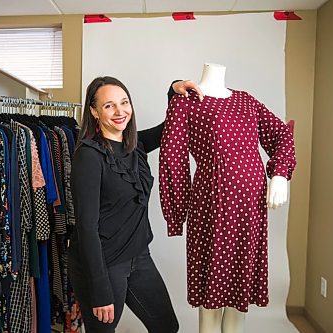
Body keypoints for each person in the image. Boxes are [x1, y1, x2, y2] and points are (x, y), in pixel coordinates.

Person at [159, 63, 296, 333]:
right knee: (211, 301)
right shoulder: (185, 102)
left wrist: (280, 174)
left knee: (238, 299)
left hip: (251, 210)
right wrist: (177, 214)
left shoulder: (247, 101)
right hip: (213, 207)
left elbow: (282, 135)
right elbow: (172, 159)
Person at [68, 76, 202, 333]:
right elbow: (86, 229)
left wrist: (172, 89)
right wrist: (99, 289)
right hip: (103, 263)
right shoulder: (88, 156)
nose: (120, 111)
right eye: (109, 106)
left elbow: (169, 127)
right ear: (94, 112)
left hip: (138, 256)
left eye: (124, 102)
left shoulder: (134, 145)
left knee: (166, 326)